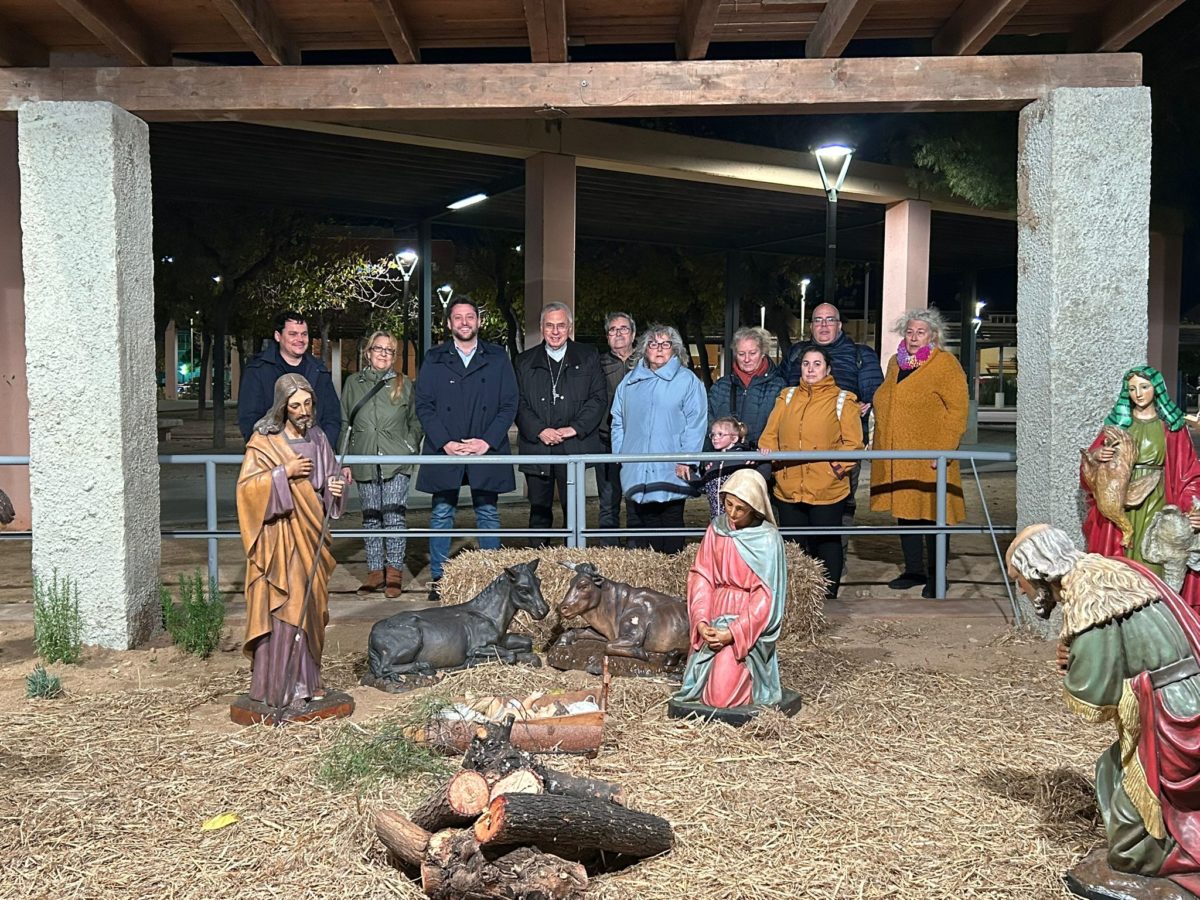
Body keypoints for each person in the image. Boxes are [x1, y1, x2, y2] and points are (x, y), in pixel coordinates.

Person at [1007, 524, 1200, 893]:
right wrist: (1073, 646)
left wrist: (1071, 667)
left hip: (1171, 711)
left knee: (1133, 825)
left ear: (1038, 572)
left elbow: (1093, 695)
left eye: (1020, 579)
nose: (1020, 589)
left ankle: (1151, 861)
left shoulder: (1090, 598)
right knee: (1111, 767)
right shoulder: (1113, 570)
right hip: (1187, 691)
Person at [236, 374, 346, 710]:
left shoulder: (318, 437)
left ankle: (309, 679)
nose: (302, 411)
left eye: (307, 403)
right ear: (283, 406)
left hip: (311, 531)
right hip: (280, 538)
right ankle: (282, 687)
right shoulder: (264, 441)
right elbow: (246, 490)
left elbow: (330, 480)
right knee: (288, 601)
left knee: (311, 605)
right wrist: (285, 472)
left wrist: (336, 488)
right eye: (295, 405)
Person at [414, 297, 518, 601]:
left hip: (485, 446)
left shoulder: (498, 357)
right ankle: (439, 578)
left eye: (469, 317)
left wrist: (486, 441)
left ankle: (492, 574)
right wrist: (444, 442)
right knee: (441, 512)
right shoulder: (434, 358)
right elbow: (424, 404)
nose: (464, 322)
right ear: (448, 324)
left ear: (479, 321)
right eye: (457, 318)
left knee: (488, 511)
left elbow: (509, 403)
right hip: (446, 446)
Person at [869, 308, 968, 598]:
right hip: (899, 457)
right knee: (906, 512)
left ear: (933, 336)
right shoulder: (895, 363)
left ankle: (938, 575)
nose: (913, 337)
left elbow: (958, 410)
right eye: (910, 332)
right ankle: (914, 569)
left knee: (933, 515)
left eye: (920, 332)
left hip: (931, 456)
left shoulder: (945, 364)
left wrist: (945, 450)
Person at [1082, 366, 1200, 605]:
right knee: (1123, 559)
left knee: (1157, 558)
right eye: (1132, 389)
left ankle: (1156, 613)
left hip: (1159, 500)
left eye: (1144, 387)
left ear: (1156, 389)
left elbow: (1188, 473)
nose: (1138, 393)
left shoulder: (1172, 428)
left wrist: (1193, 508)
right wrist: (1098, 457)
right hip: (1122, 498)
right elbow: (1089, 464)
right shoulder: (1119, 426)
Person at [673, 469, 787, 709]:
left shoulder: (767, 539)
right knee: (702, 688)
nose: (732, 514)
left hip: (746, 623)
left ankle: (752, 683)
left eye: (740, 509)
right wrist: (702, 621)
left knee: (720, 697)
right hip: (714, 611)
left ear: (755, 509)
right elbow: (702, 576)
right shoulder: (717, 528)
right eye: (728, 504)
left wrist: (733, 633)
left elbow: (766, 596)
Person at [759, 346, 864, 598]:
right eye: (806, 363)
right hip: (789, 486)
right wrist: (773, 459)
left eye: (817, 364)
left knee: (826, 542)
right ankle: (798, 596)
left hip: (826, 488)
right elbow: (769, 435)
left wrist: (834, 470)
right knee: (794, 545)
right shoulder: (786, 397)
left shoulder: (843, 400)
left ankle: (828, 595)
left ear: (827, 369)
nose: (810, 369)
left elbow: (854, 443)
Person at [782, 303, 883, 533]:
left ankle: (835, 562)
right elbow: (782, 392)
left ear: (839, 325)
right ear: (811, 326)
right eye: (818, 320)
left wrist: (863, 403)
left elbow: (876, 393)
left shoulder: (860, 355)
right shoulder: (796, 353)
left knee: (841, 508)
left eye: (829, 320)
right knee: (795, 507)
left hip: (841, 450)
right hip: (798, 450)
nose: (824, 325)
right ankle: (804, 564)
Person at [610, 324, 707, 554]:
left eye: (666, 344)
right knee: (643, 523)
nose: (659, 349)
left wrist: (687, 459)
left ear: (675, 349)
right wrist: (621, 456)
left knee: (671, 520)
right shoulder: (630, 382)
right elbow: (617, 419)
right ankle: (650, 579)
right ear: (645, 349)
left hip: (672, 467)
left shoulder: (687, 381)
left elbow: (696, 423)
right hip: (637, 466)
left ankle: (670, 572)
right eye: (653, 344)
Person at [514, 302, 607, 543]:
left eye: (561, 325)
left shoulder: (588, 356)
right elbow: (518, 402)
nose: (555, 331)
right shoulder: (524, 361)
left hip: (574, 446)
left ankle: (572, 568)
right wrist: (539, 430)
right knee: (539, 514)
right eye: (550, 325)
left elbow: (598, 398)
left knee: (574, 514)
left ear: (570, 328)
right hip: (537, 447)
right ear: (541, 328)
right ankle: (536, 568)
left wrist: (573, 428)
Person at [340, 331, 422, 599]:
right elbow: (345, 422)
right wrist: (345, 460)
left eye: (390, 350)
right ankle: (375, 571)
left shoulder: (404, 383)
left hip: (395, 460)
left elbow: (415, 421)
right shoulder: (354, 382)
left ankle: (394, 572)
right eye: (379, 349)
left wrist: (409, 449)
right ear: (368, 351)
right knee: (371, 516)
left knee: (394, 516)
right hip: (364, 457)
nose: (384, 354)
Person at [238, 310, 342, 450]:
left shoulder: (319, 371)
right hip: (273, 458)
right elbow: (249, 418)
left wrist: (321, 449)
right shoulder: (257, 370)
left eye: (304, 334)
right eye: (293, 334)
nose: (300, 339)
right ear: (278, 336)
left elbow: (332, 417)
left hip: (315, 457)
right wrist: (274, 452)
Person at [706, 326, 786, 446]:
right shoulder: (721, 387)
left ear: (763, 353)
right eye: (741, 354)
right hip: (724, 458)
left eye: (752, 353)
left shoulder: (779, 387)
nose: (747, 359)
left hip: (763, 458)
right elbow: (708, 422)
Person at [596, 311, 638, 544]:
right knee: (608, 501)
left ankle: (634, 551)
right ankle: (608, 552)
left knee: (634, 500)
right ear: (607, 336)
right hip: (605, 441)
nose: (618, 334)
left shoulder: (646, 362)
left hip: (638, 443)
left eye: (623, 329)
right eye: (613, 329)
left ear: (633, 334)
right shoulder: (597, 364)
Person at [691, 416, 772, 519]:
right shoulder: (711, 460)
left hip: (740, 520)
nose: (715, 437)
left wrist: (764, 458)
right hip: (717, 519)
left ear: (734, 438)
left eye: (720, 434)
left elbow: (763, 477)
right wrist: (689, 474)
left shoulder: (745, 458)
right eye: (713, 435)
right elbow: (704, 487)